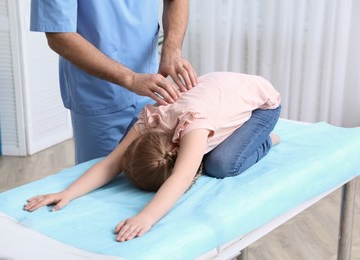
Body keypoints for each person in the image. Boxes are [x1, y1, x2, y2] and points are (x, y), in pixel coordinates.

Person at [23, 72, 281, 242]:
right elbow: (113, 162)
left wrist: (146, 217)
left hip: (261, 104)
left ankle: (265, 139)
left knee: (220, 165)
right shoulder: (146, 124)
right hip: (217, 90)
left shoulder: (193, 125)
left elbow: (181, 178)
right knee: (202, 151)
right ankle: (226, 133)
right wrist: (67, 193)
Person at [30, 0, 197, 164]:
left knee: (150, 174)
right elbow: (59, 36)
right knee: (101, 182)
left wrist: (172, 49)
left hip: (152, 87)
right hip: (98, 96)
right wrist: (131, 78)